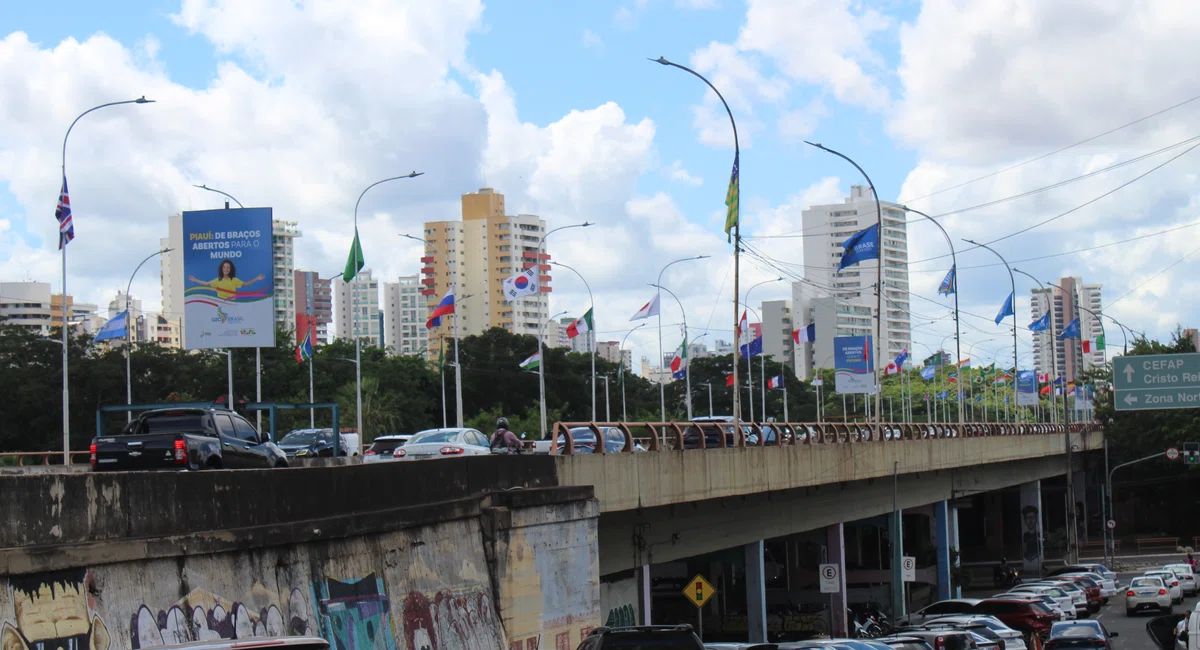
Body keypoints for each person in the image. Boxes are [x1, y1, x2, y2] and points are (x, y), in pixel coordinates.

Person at [188, 259, 266, 300]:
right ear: (221, 269)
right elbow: (206, 283)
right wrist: (195, 280)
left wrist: (256, 278)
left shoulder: (234, 280)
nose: (226, 269)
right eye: (224, 267)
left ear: (231, 269)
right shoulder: (218, 280)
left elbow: (246, 284)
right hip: (221, 305)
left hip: (233, 306)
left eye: (228, 267)